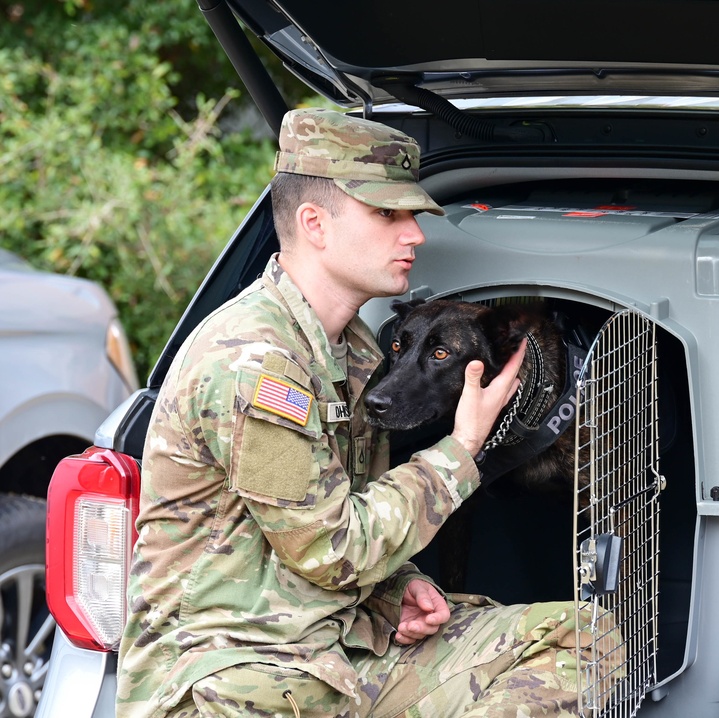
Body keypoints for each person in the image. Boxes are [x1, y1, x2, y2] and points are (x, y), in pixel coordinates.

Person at [116, 108, 616, 718]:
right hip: (237, 676)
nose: (415, 234)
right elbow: (333, 548)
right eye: (388, 214)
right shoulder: (256, 362)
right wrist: (461, 449)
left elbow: (341, 515)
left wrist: (396, 588)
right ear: (314, 224)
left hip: (338, 651)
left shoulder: (351, 350)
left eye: (412, 215)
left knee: (585, 643)